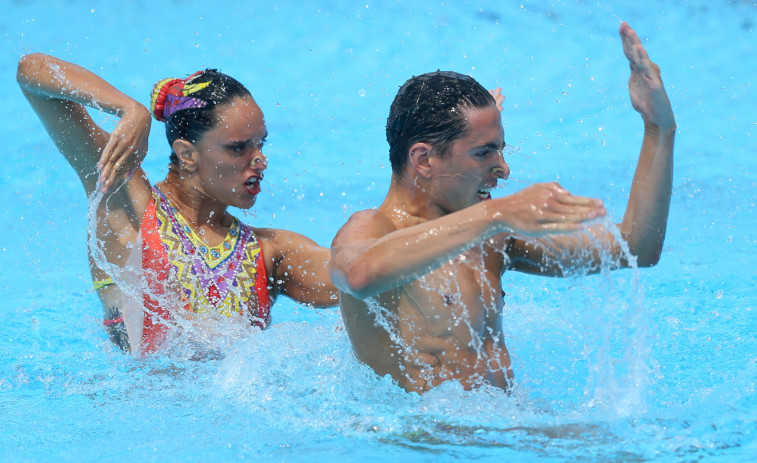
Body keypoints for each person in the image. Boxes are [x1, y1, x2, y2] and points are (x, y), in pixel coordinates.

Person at [329, 22, 675, 393]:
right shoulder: (373, 229)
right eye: (483, 153)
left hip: (500, 430)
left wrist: (658, 128)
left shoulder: (490, 238)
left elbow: (635, 248)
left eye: (501, 149)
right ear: (424, 160)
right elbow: (358, 276)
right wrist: (497, 213)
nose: (504, 169)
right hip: (431, 443)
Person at [17, 54, 337, 354]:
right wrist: (130, 110)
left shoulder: (266, 253)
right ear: (187, 154)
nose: (260, 160)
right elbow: (31, 69)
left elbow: (359, 274)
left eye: (260, 144)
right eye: (238, 147)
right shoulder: (127, 203)